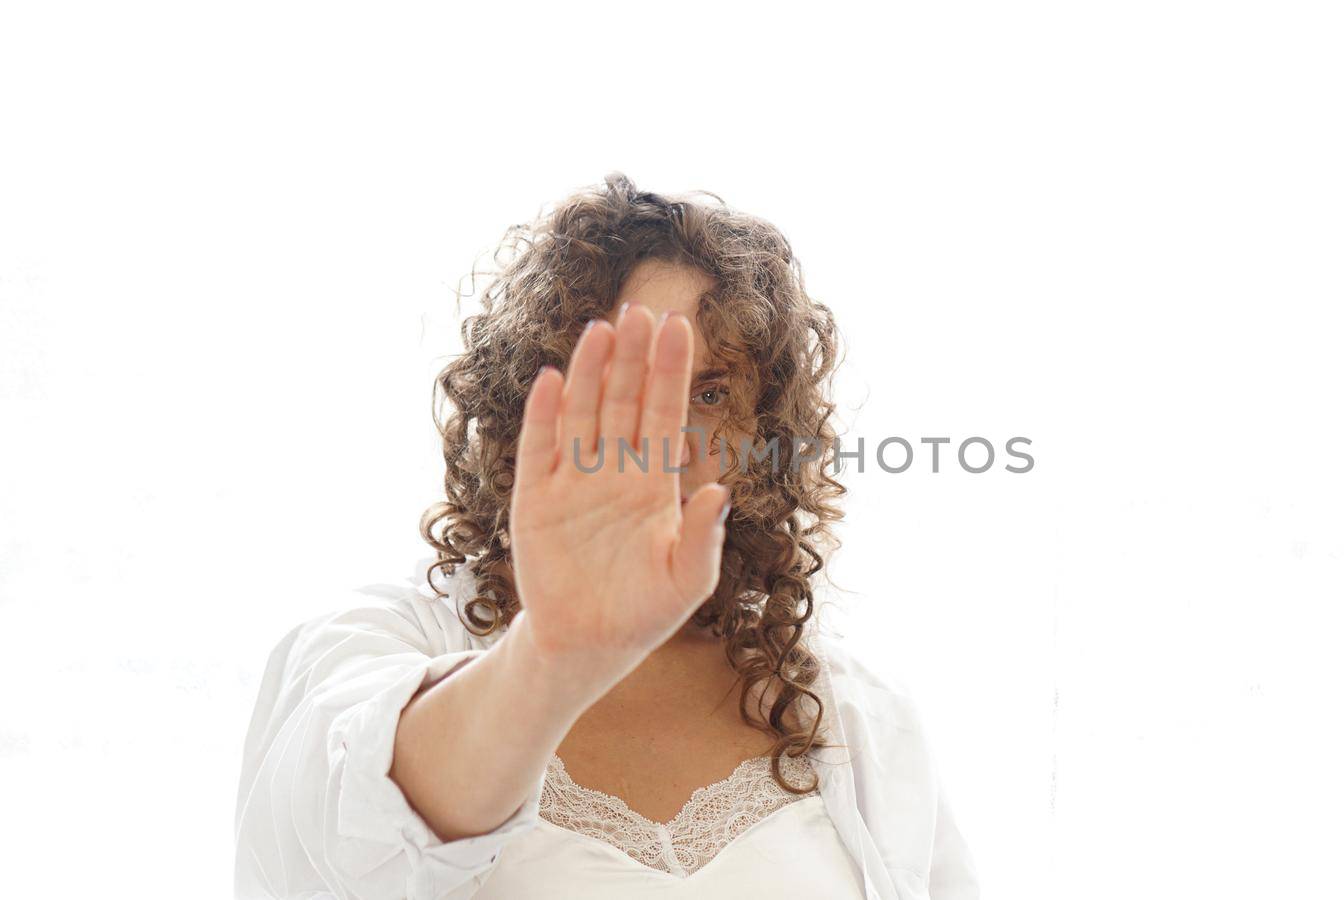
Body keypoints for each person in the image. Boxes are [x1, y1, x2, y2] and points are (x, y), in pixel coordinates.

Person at [232, 173, 981, 899]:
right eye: (629, 380)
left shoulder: (853, 716)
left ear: (763, 429)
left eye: (712, 392)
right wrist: (556, 657)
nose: (667, 438)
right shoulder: (372, 647)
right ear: (528, 402)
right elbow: (344, 832)